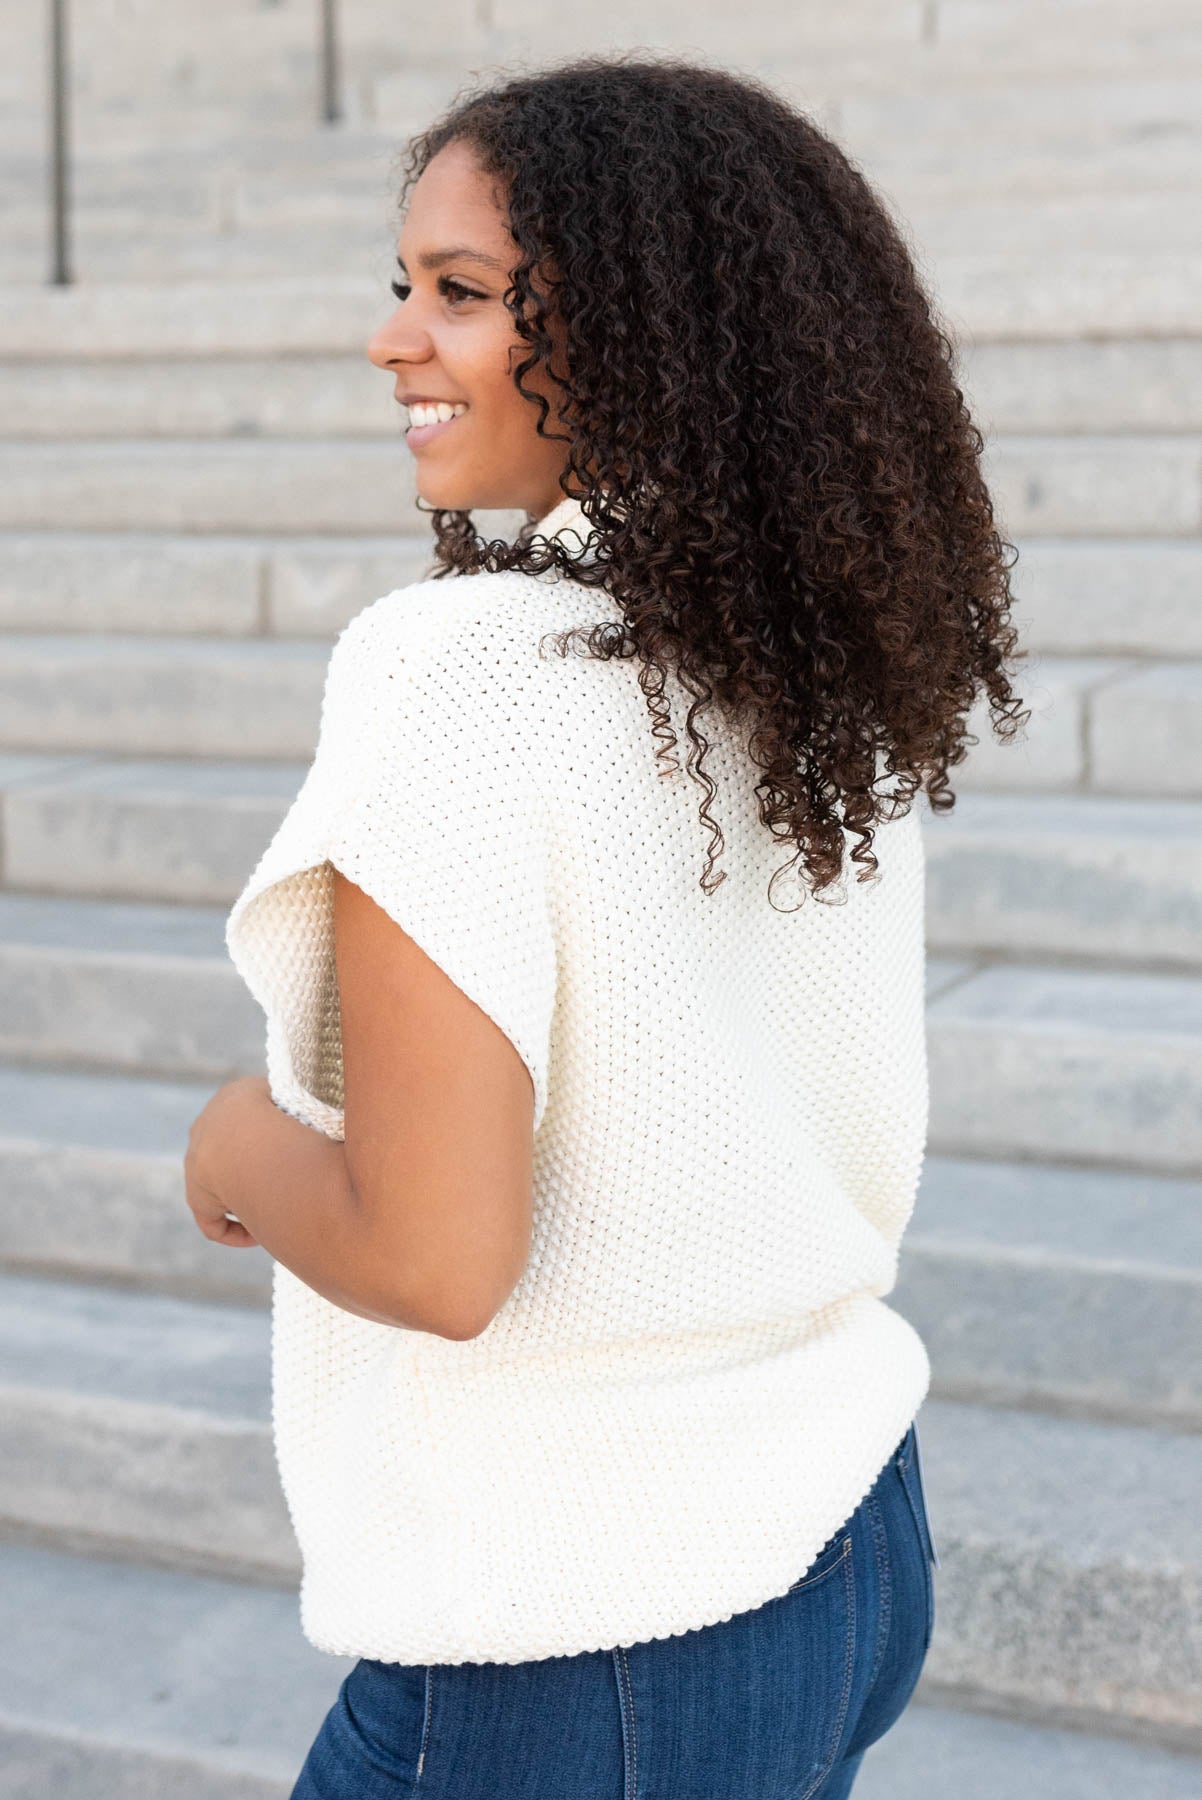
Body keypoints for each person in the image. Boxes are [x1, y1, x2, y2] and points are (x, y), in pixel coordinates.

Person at [183, 53, 1026, 1800]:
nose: (394, 339)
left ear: (652, 332)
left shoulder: (467, 674)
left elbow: (432, 1255)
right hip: (841, 1544)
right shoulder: (805, 658)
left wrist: (233, 1145)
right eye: (401, 285)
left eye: (464, 295)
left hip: (575, 1626)